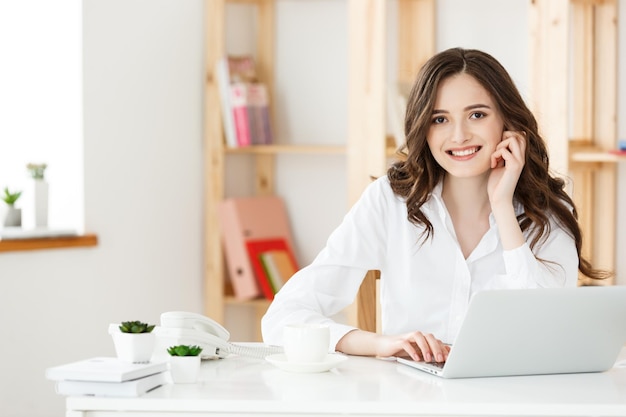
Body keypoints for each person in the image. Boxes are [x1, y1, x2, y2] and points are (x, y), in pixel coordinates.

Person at [261, 47, 609, 364]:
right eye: (439, 119)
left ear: (508, 121)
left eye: (477, 115)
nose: (458, 136)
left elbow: (549, 332)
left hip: (511, 398)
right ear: (423, 129)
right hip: (412, 400)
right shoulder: (390, 201)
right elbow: (284, 317)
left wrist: (503, 206)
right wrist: (381, 343)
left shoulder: (548, 213)